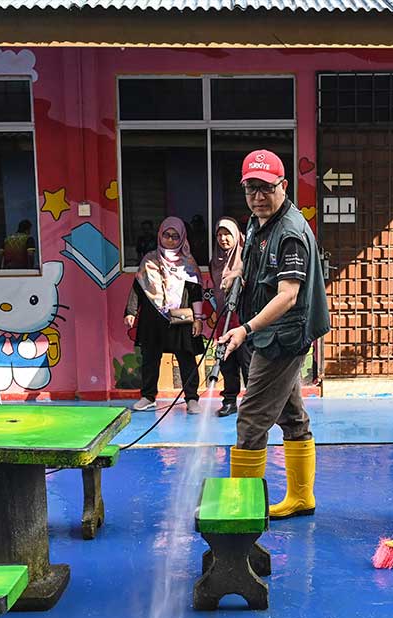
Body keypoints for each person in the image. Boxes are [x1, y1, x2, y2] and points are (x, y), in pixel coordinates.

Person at [217, 150, 330, 519]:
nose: (258, 196)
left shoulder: (290, 234)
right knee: (291, 414)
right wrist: (237, 274)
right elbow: (254, 263)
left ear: (283, 186)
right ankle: (302, 497)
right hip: (268, 334)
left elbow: (288, 295)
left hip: (281, 337)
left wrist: (244, 329)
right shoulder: (257, 222)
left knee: (251, 418)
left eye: (266, 189)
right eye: (251, 188)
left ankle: (241, 511)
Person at [125, 216, 206, 414]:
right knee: (150, 358)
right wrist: (131, 312)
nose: (170, 239)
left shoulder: (188, 261)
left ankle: (192, 399)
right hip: (153, 318)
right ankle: (148, 396)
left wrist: (198, 319)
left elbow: (195, 292)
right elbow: (138, 288)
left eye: (175, 236)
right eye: (166, 235)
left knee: (186, 358)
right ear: (160, 236)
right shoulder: (149, 260)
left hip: (180, 317)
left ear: (182, 237)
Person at [210, 216, 248, 417]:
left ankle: (253, 404)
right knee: (226, 362)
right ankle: (230, 401)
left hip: (243, 320)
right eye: (219, 234)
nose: (223, 238)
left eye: (227, 234)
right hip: (223, 319)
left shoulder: (246, 257)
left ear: (236, 236)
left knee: (248, 362)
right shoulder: (215, 261)